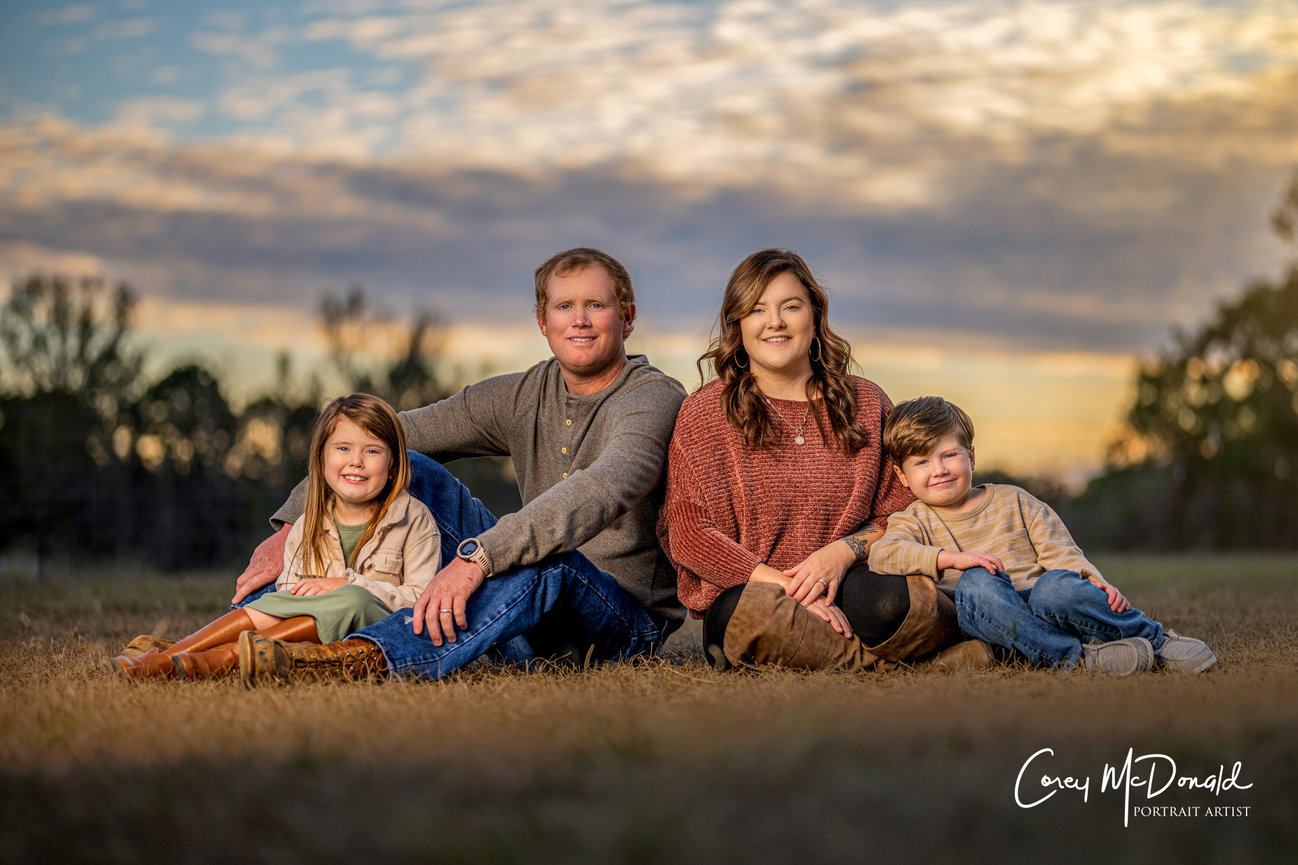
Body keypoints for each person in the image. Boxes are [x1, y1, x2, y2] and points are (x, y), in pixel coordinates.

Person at [233, 248, 687, 684]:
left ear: (626, 317)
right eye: (565, 305)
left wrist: (478, 559)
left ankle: (361, 657)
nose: (580, 319)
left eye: (596, 304)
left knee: (550, 563)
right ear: (542, 321)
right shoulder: (523, 393)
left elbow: (605, 487)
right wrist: (295, 523)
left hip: (617, 625)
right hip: (525, 615)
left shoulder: (653, 399)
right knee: (404, 462)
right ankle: (230, 641)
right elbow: (388, 436)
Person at [657, 249, 987, 673]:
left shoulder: (866, 403)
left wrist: (841, 553)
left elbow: (903, 511)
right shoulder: (704, 413)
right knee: (736, 617)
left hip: (857, 585)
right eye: (757, 309)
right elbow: (688, 534)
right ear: (737, 325)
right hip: (758, 593)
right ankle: (915, 667)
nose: (774, 321)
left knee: (896, 603)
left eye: (790, 307)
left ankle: (859, 658)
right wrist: (793, 588)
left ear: (814, 317)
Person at [870, 395, 1217, 676]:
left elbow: (1061, 552)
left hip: (1043, 602)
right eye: (923, 463)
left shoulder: (1015, 500)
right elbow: (882, 555)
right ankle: (1077, 659)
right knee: (976, 583)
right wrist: (950, 559)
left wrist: (1093, 581)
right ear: (902, 476)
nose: (940, 470)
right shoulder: (912, 520)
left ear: (971, 457)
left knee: (1058, 586)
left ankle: (1153, 639)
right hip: (993, 619)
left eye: (948, 455)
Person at [111, 393, 439, 681]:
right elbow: (287, 596)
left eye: (372, 451)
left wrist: (349, 585)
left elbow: (419, 599)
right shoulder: (307, 523)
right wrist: (318, 600)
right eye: (343, 448)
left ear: (394, 465)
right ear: (322, 458)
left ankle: (224, 657)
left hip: (375, 633)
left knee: (352, 599)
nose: (356, 461)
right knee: (269, 602)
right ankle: (166, 659)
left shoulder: (415, 521)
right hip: (310, 631)